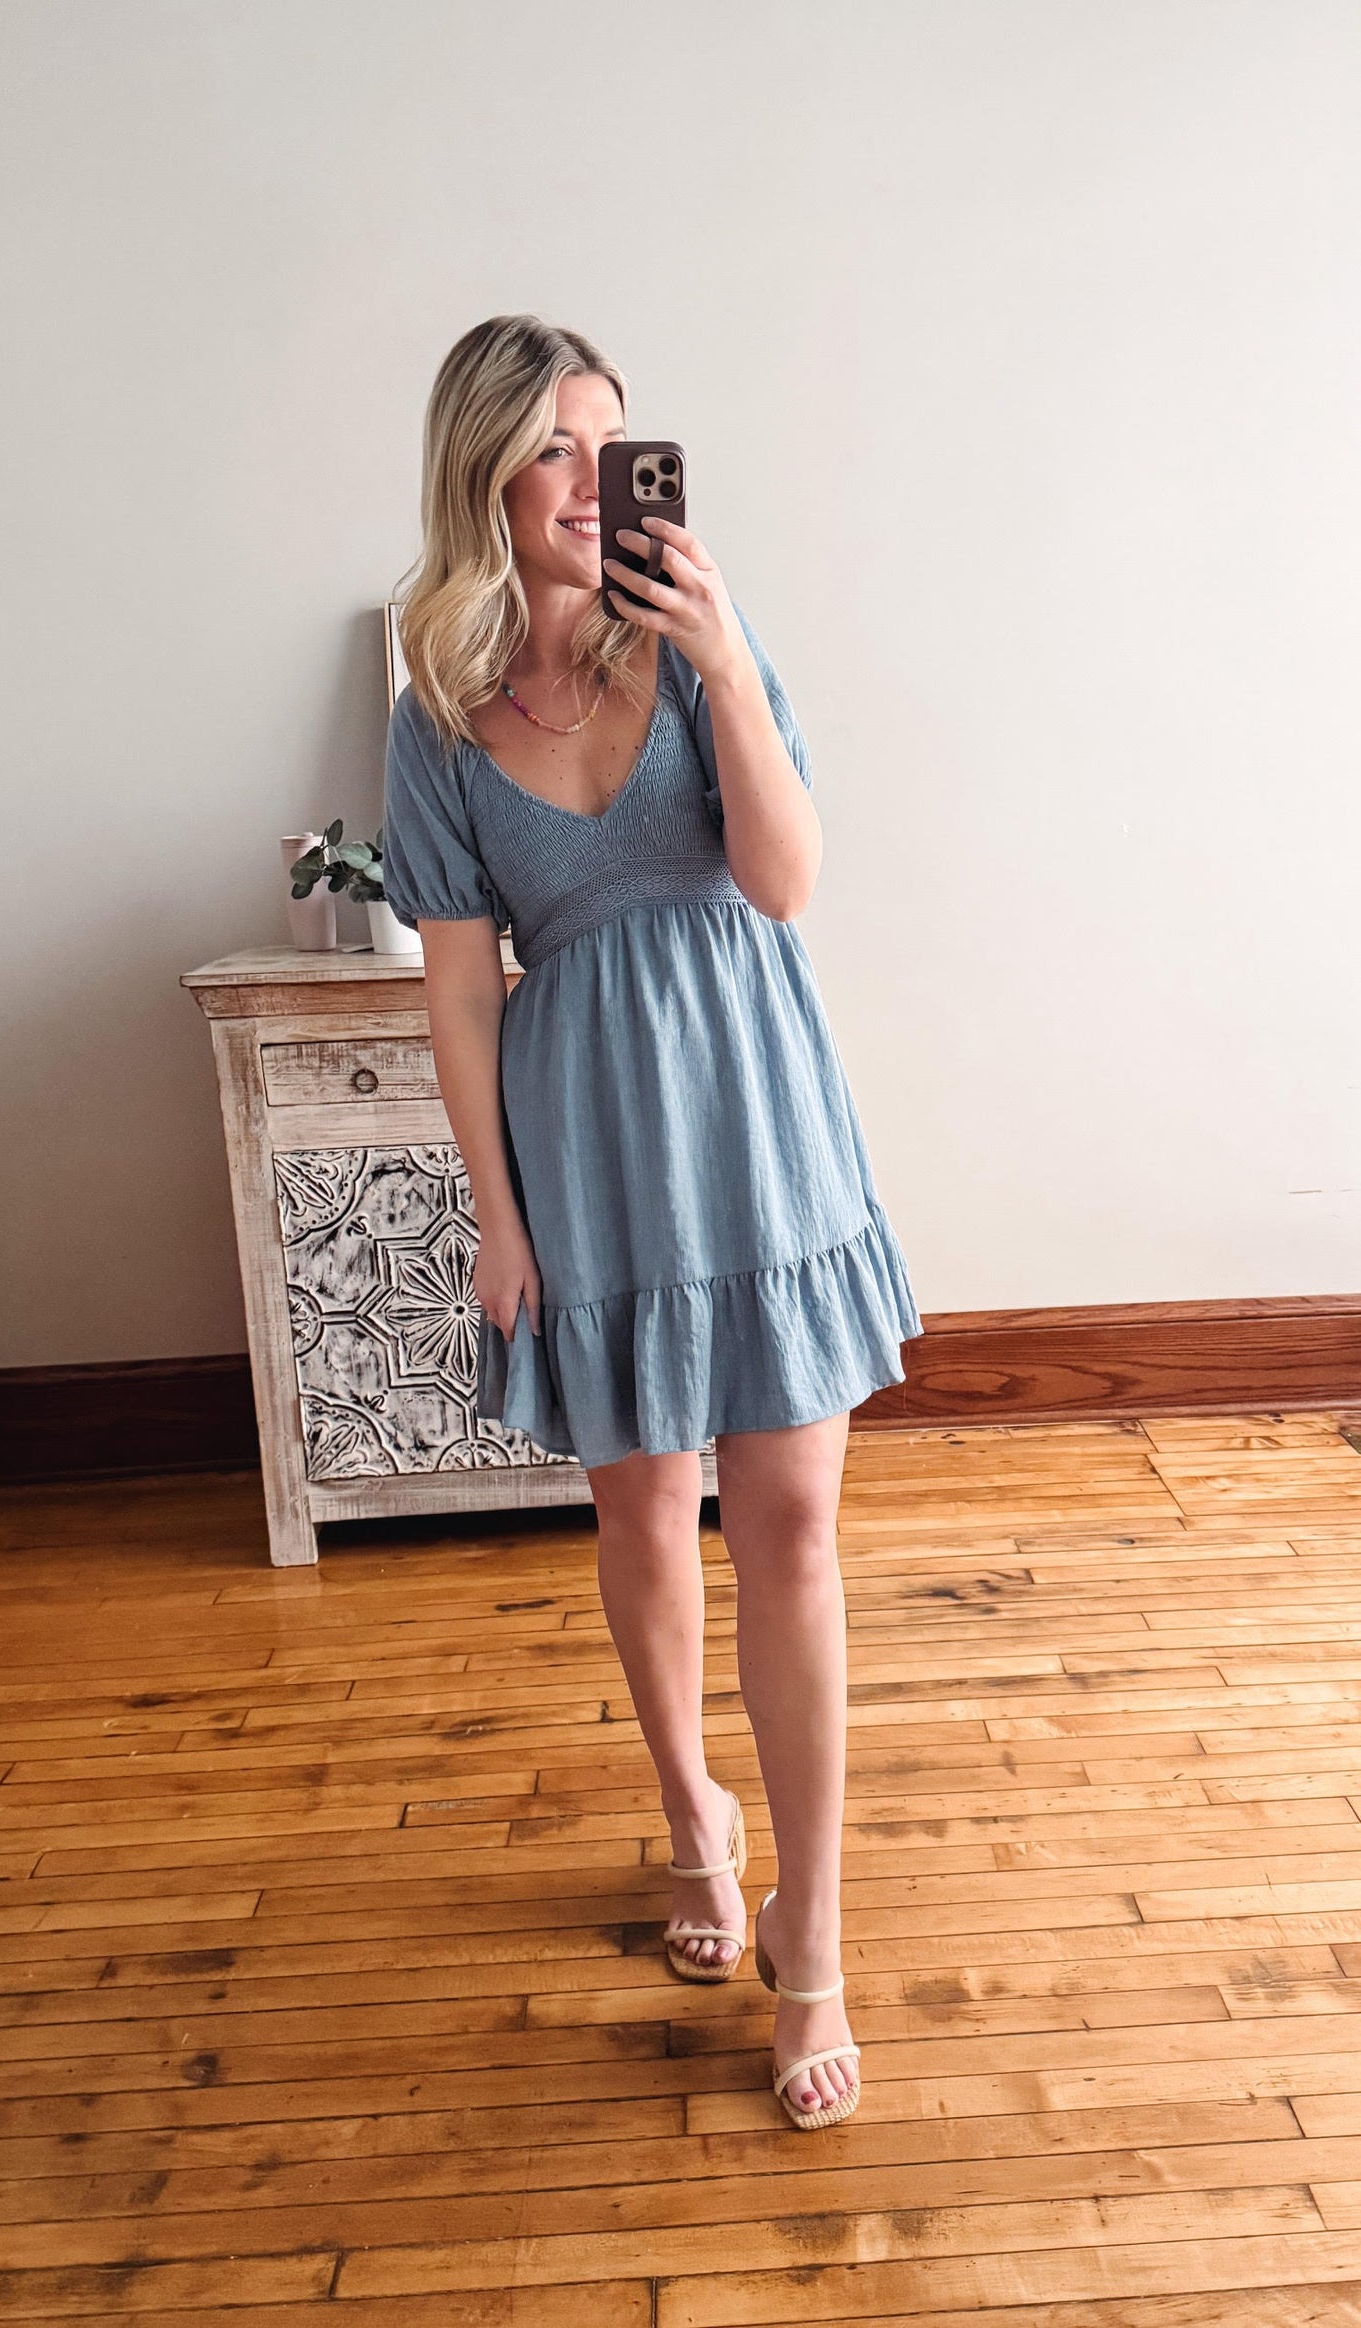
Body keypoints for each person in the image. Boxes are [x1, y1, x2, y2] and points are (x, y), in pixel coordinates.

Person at [384, 314, 922, 2130]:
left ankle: (813, 1926)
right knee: (643, 1508)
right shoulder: (438, 722)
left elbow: (782, 880)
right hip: (590, 1148)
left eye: (614, 444)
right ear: (483, 480)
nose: (590, 482)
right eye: (551, 449)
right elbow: (460, 995)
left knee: (789, 1525)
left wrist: (726, 668)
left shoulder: (705, 647)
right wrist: (495, 1215)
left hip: (760, 1125)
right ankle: (692, 1809)